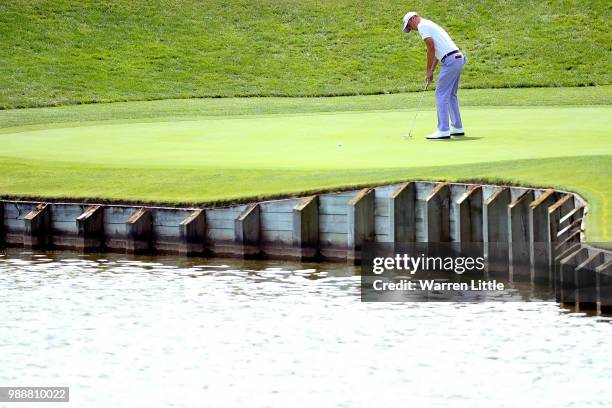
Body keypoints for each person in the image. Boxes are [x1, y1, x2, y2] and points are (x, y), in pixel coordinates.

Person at [402, 12, 466, 140]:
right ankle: (457, 127)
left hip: (451, 60)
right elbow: (437, 50)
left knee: (440, 94)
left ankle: (443, 129)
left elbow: (430, 48)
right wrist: (432, 69)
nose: (412, 29)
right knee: (451, 94)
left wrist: (428, 71)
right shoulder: (430, 24)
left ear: (413, 19)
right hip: (458, 58)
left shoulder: (422, 26)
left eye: (409, 25)